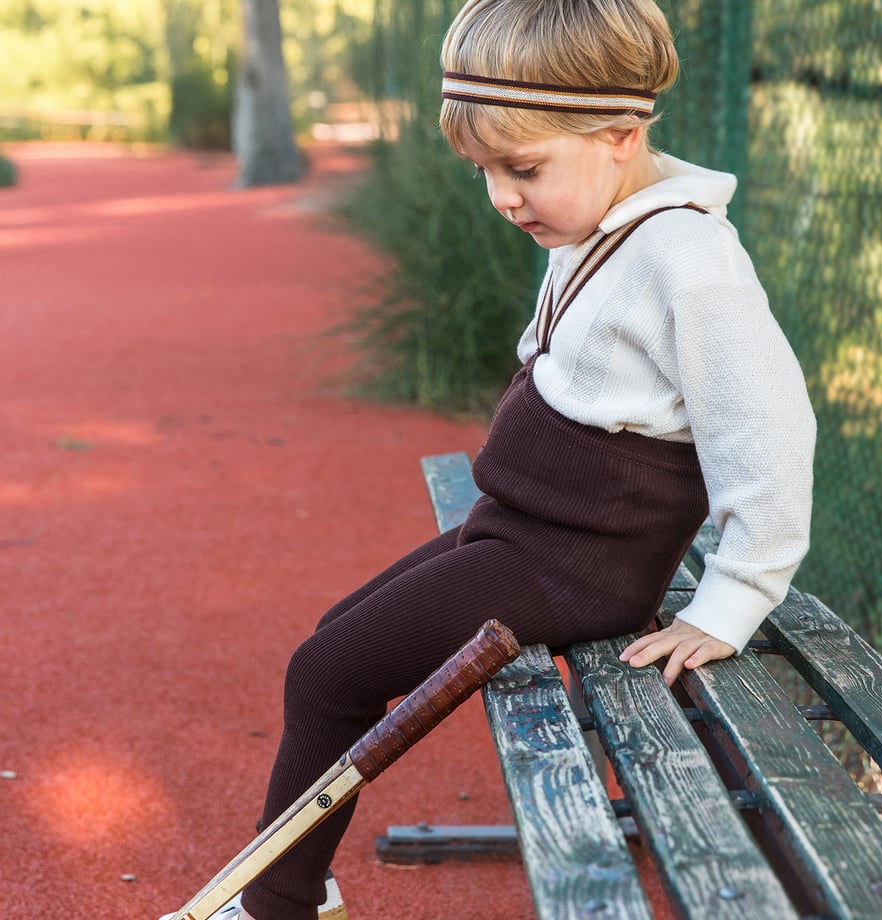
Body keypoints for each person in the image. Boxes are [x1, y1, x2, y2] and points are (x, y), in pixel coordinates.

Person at [161, 1, 816, 918]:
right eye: (485, 172)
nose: (503, 197)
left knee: (326, 673)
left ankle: (279, 902)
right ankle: (290, 885)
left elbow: (770, 429)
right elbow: (565, 351)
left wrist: (737, 596)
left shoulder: (691, 259)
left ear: (622, 133)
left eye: (523, 169)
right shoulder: (600, 219)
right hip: (519, 529)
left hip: (574, 568)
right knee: (330, 639)